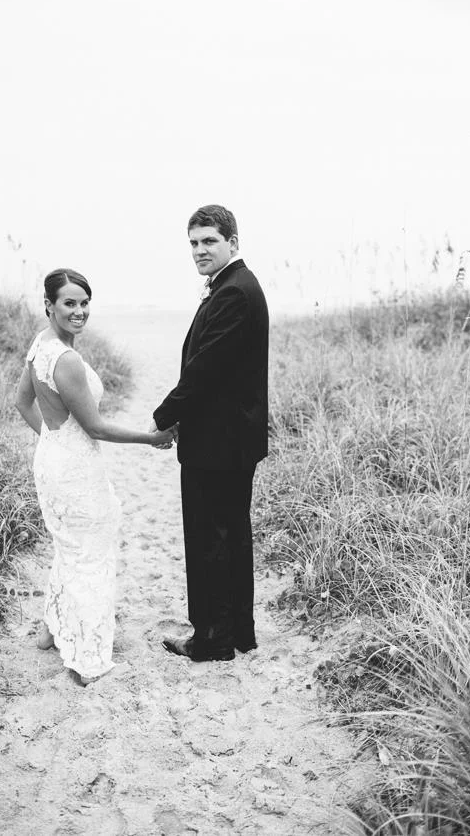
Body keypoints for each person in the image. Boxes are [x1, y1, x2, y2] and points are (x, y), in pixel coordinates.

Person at [15, 269, 173, 685]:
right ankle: (87, 660)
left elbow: (22, 401)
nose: (79, 311)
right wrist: (150, 437)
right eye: (69, 303)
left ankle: (50, 633)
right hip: (75, 472)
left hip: (53, 463)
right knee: (90, 556)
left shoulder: (42, 344)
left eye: (84, 303)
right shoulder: (65, 361)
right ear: (48, 305)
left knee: (69, 548)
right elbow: (97, 428)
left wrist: (55, 443)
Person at [151, 205, 269, 662]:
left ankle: (212, 639)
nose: (199, 251)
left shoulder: (234, 293)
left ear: (233, 243)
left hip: (218, 443)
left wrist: (164, 416)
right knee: (232, 536)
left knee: (208, 541)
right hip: (231, 439)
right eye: (194, 244)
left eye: (209, 242)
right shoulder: (234, 286)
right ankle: (239, 631)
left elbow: (205, 370)